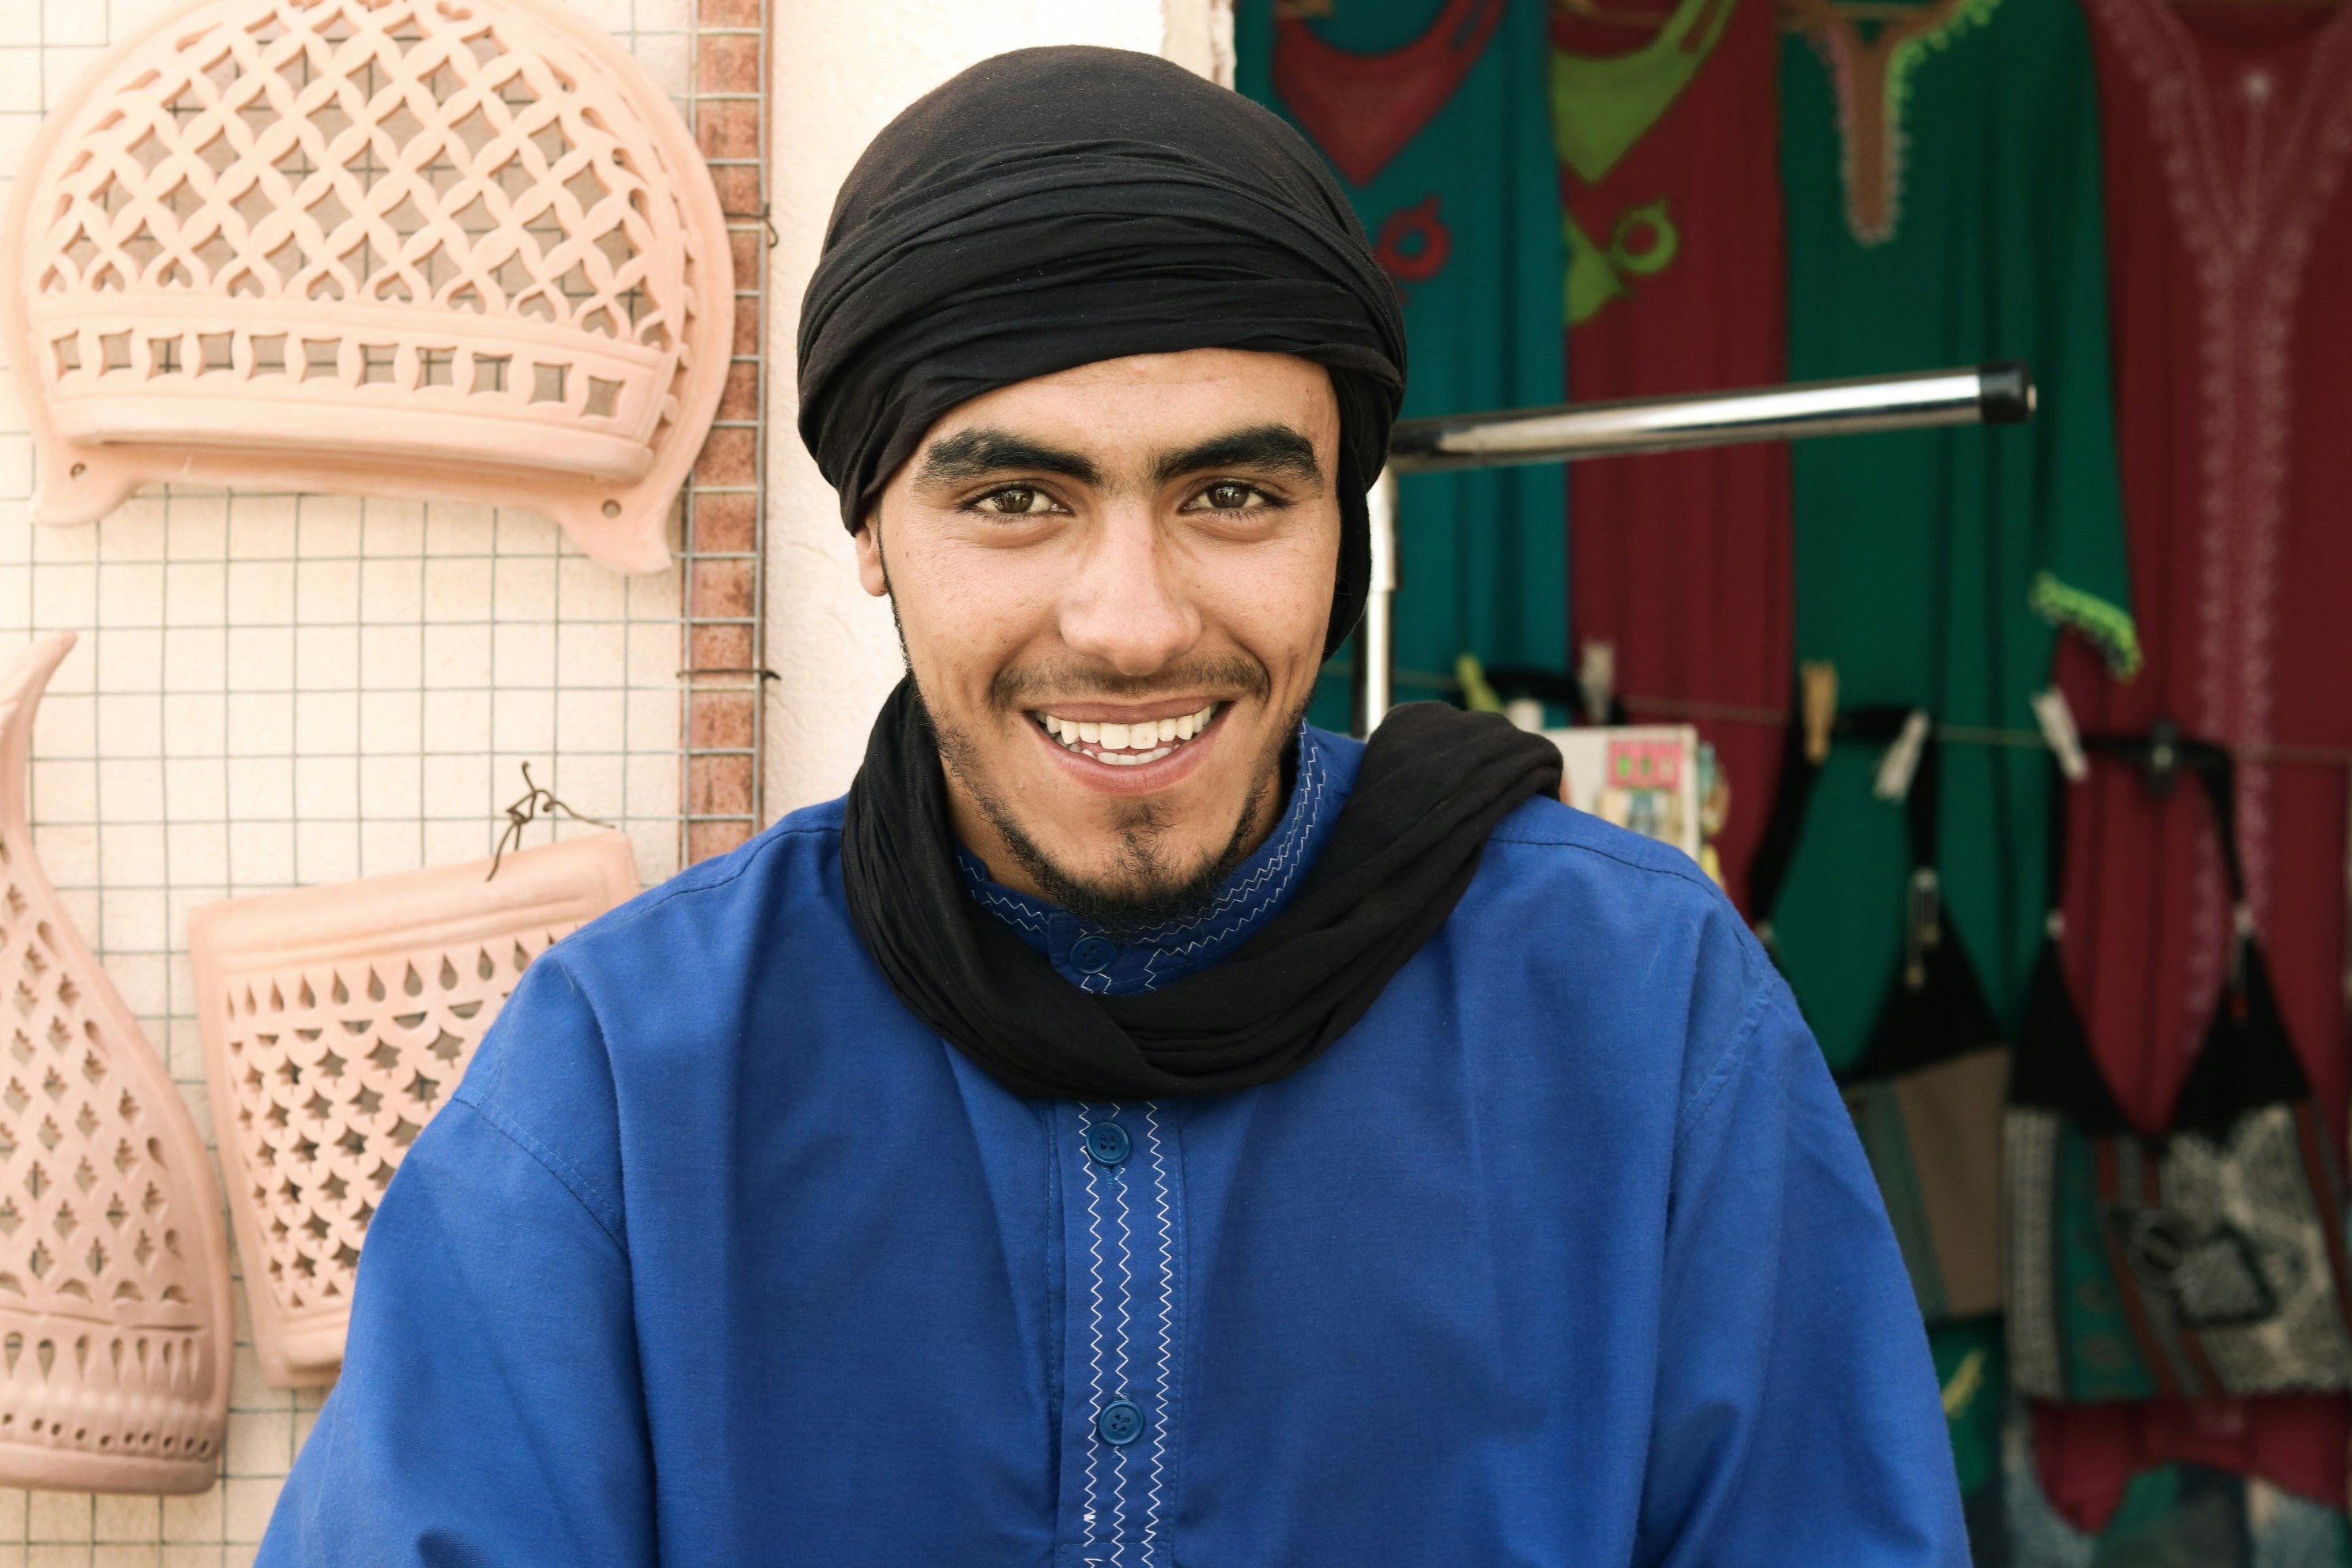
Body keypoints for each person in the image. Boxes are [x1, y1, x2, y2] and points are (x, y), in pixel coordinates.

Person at [258, 45, 1963, 1566]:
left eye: (1232, 492)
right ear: (871, 526)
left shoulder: (1636, 1013)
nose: (1133, 621)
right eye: (1015, 496)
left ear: (1342, 527)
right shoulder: (628, 1079)